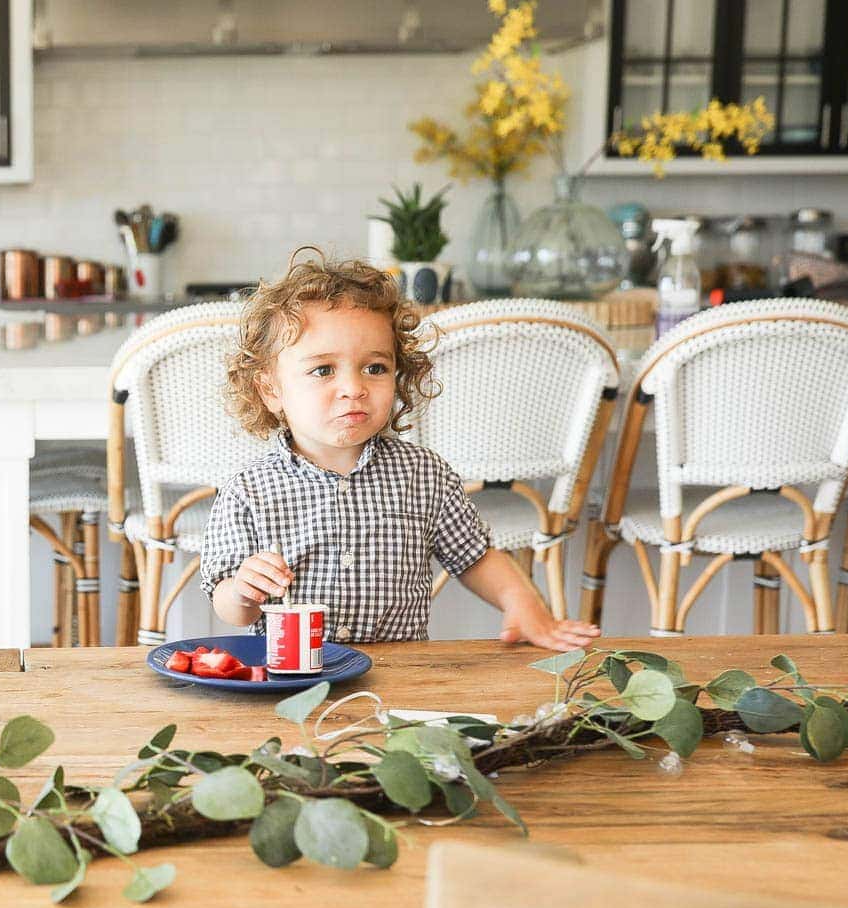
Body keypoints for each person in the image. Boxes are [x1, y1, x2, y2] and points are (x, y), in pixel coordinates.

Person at [201, 250, 600, 652]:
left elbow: (475, 557)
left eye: (374, 368)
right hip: (292, 680)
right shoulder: (247, 490)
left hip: (397, 678)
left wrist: (522, 601)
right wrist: (243, 592)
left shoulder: (425, 475)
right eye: (323, 370)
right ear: (271, 390)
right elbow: (230, 607)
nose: (354, 388)